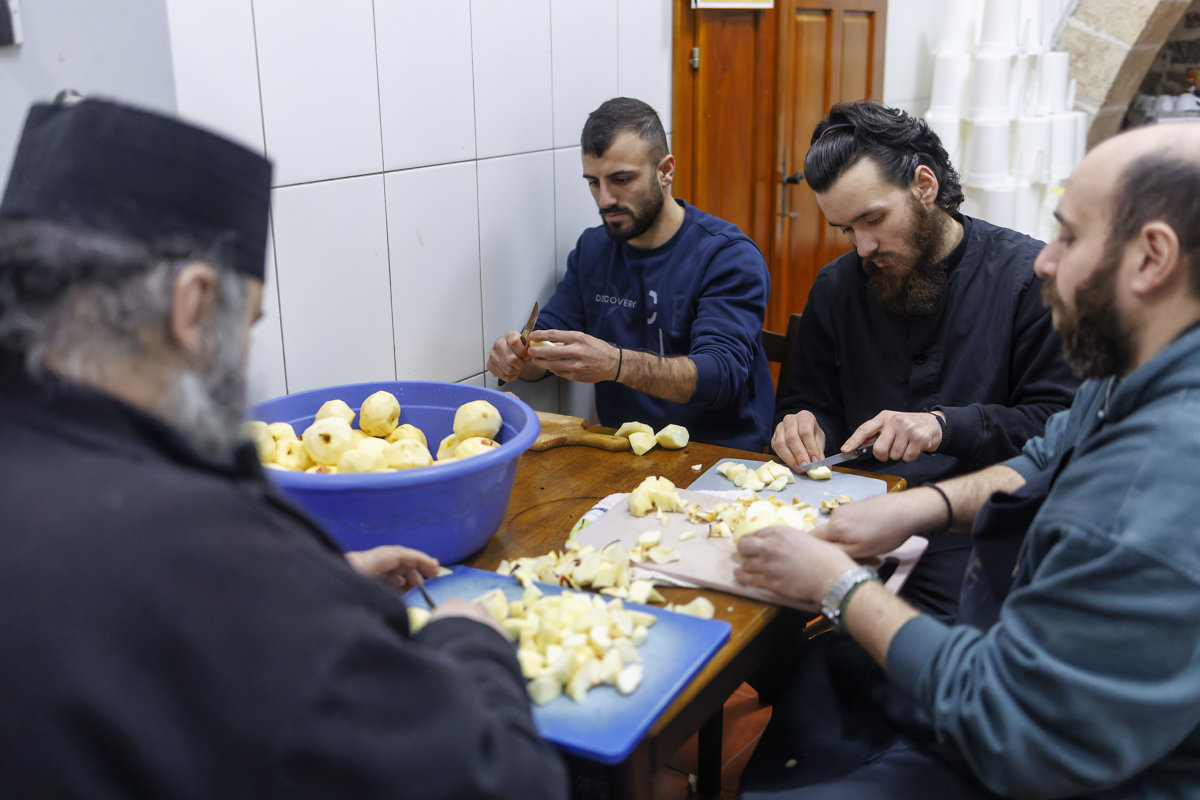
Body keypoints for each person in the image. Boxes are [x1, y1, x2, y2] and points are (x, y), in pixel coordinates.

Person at [0, 97, 568, 799]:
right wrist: (468, 639)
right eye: (246, 324)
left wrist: (321, 581)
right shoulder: (207, 551)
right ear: (192, 305)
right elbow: (505, 784)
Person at [735, 121, 1200, 799]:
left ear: (1153, 258)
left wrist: (840, 586)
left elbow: (1011, 724)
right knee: (816, 689)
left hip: (1038, 753)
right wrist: (916, 508)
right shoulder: (1130, 371)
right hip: (988, 649)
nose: (1047, 261)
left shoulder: (1150, 485)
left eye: (1069, 237)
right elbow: (1044, 455)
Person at [773, 101, 1078, 618]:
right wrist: (803, 425)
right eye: (845, 229)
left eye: (873, 219)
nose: (863, 247)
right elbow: (811, 400)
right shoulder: (836, 287)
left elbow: (1056, 428)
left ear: (924, 185)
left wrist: (942, 426)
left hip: (976, 529)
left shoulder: (1029, 280)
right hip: (853, 515)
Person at [487, 97, 775, 452]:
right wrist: (518, 359)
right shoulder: (593, 249)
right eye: (594, 182)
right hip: (623, 451)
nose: (605, 199)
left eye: (621, 179)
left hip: (720, 455)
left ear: (665, 171)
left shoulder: (727, 255)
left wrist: (616, 363)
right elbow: (546, 346)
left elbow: (719, 376)